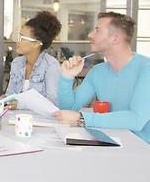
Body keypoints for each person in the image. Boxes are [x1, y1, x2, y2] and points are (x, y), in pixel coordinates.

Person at [52, 12, 150, 144]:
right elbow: (69, 109)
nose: (90, 35)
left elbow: (136, 120)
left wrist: (82, 118)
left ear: (115, 39)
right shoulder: (98, 71)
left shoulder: (146, 69)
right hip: (111, 144)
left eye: (97, 31)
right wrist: (66, 78)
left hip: (142, 150)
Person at [0, 11, 61, 110]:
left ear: (36, 44)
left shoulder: (51, 66)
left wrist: (20, 105)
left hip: (39, 122)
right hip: (15, 120)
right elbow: (10, 94)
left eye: (21, 38)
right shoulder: (16, 63)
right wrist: (3, 100)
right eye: (19, 36)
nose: (17, 41)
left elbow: (52, 103)